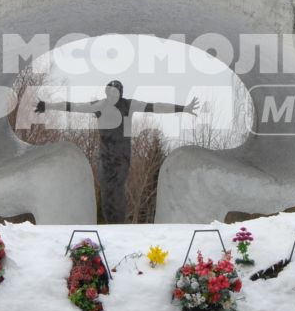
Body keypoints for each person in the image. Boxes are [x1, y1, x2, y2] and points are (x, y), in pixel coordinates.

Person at [35, 81, 199, 223]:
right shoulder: (100, 105)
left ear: (120, 93)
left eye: (115, 92)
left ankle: (119, 225)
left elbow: (156, 107)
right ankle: (110, 225)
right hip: (104, 156)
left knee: (117, 189)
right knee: (106, 190)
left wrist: (183, 108)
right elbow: (73, 106)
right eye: (109, 92)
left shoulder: (129, 105)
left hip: (121, 156)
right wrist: (48, 105)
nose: (111, 95)